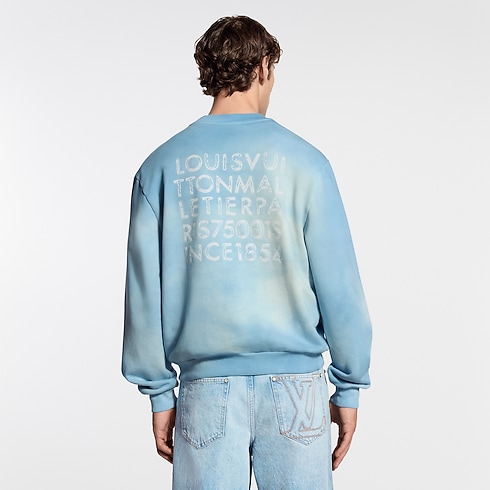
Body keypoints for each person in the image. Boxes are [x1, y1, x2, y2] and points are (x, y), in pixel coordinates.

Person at [122, 15, 371, 490]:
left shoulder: (160, 167)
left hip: (204, 390)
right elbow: (340, 286)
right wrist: (349, 385)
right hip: (297, 390)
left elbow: (143, 295)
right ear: (263, 68)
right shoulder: (306, 162)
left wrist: (159, 393)